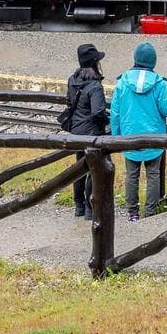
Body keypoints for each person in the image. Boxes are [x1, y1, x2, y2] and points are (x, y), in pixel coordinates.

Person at [109, 41, 167, 221]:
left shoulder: (122, 82)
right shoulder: (160, 84)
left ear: (135, 59)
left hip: (129, 136)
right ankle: (150, 212)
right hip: (154, 137)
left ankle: (132, 212)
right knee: (153, 175)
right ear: (153, 62)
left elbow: (115, 113)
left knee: (131, 175)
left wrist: (116, 138)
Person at [61, 43, 109, 217]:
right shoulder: (95, 86)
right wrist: (107, 121)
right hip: (91, 134)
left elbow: (68, 102)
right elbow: (97, 112)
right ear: (95, 62)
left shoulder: (72, 80)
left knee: (79, 168)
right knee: (93, 170)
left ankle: (79, 206)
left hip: (76, 132)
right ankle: (90, 207)